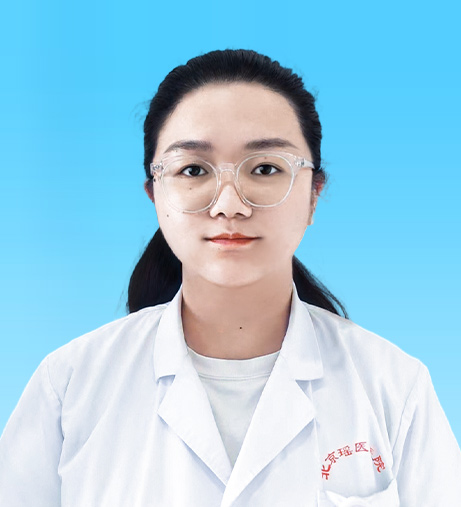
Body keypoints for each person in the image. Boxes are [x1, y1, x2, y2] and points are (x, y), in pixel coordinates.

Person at [0, 49, 459, 507]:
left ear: (313, 195)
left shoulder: (393, 386)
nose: (229, 205)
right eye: (193, 170)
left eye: (265, 168)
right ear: (155, 195)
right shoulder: (70, 386)